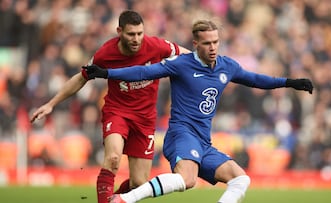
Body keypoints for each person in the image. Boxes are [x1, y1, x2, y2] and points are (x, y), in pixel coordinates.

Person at [83, 20, 314, 203]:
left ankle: (125, 196)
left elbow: (255, 79)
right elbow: (143, 73)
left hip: (204, 140)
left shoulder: (227, 66)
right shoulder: (181, 63)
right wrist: (107, 74)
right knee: (188, 180)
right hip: (181, 135)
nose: (212, 47)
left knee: (240, 179)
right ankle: (124, 200)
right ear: (195, 44)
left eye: (215, 42)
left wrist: (289, 82)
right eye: (206, 43)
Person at [30, 10, 190, 203]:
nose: (136, 39)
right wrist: (51, 104)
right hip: (118, 112)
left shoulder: (155, 45)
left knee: (139, 183)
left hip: (145, 118)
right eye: (131, 34)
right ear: (119, 31)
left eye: (140, 33)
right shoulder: (106, 53)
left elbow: (188, 56)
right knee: (113, 158)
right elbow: (81, 78)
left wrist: (210, 67)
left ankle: (116, 199)